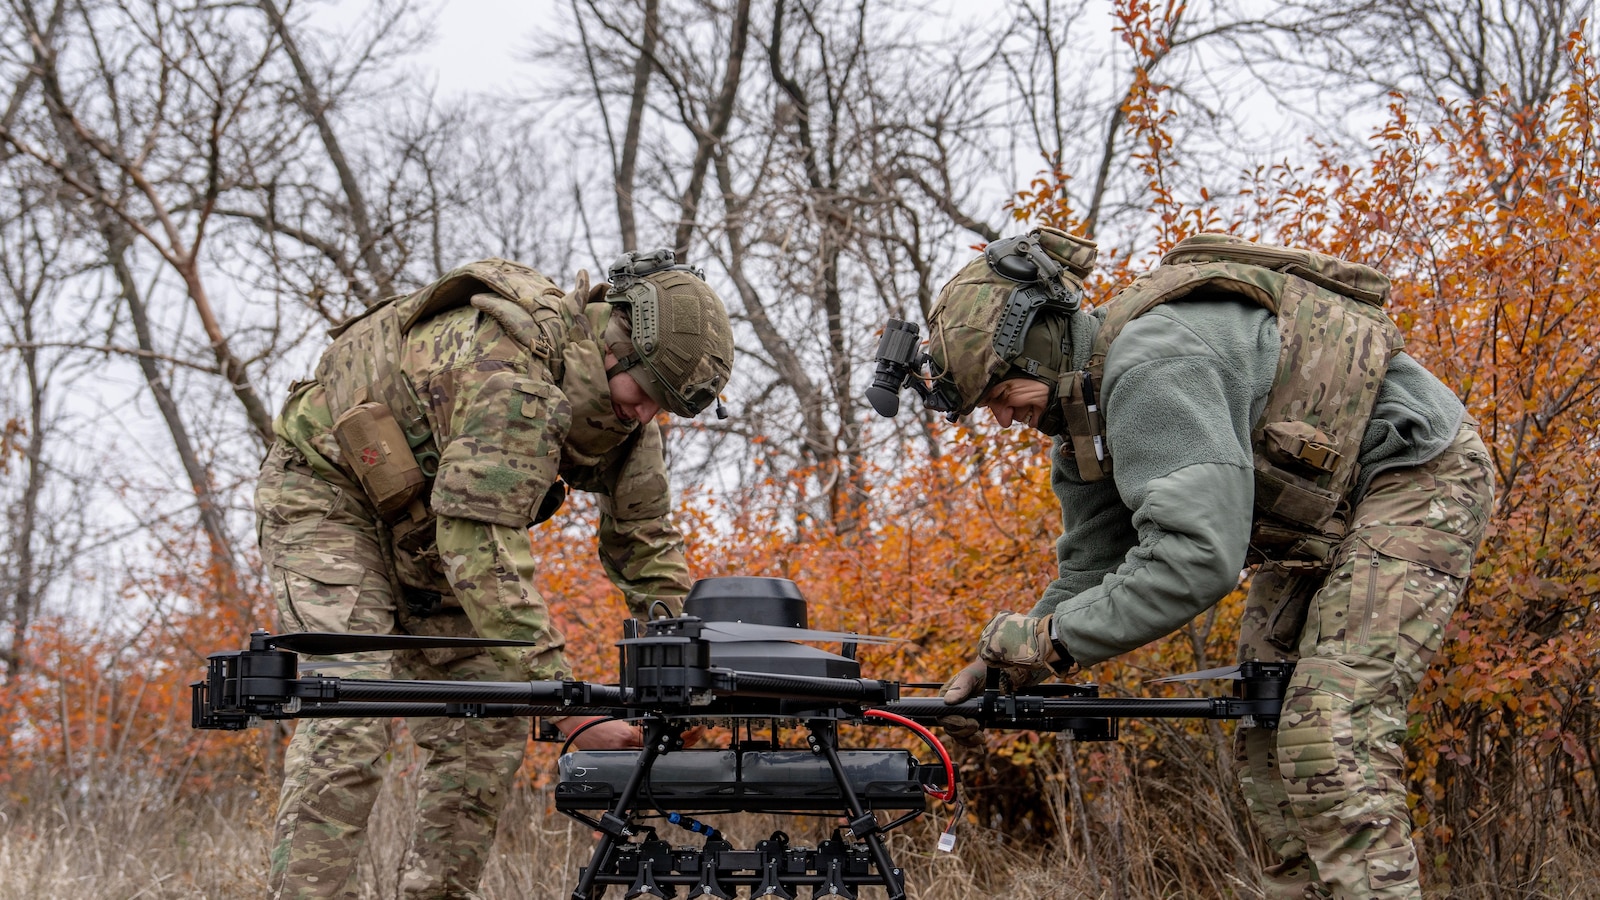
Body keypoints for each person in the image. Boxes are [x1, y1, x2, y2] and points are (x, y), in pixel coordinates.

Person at [876, 228, 1492, 899]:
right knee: (1266, 721)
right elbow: (1088, 573)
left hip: (1417, 474)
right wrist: (1005, 663)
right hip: (1317, 522)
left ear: (1039, 343)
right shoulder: (1085, 420)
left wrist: (1049, 641)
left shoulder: (1148, 368)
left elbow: (1196, 562)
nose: (999, 418)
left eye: (999, 393)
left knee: (1328, 728)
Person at [256, 250, 734, 899]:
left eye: (664, 407)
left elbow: (645, 544)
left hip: (431, 534)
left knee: (485, 727)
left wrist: (687, 669)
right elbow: (478, 540)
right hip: (329, 494)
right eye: (646, 393)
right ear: (617, 345)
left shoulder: (629, 427)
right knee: (351, 709)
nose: (647, 414)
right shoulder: (515, 372)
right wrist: (570, 708)